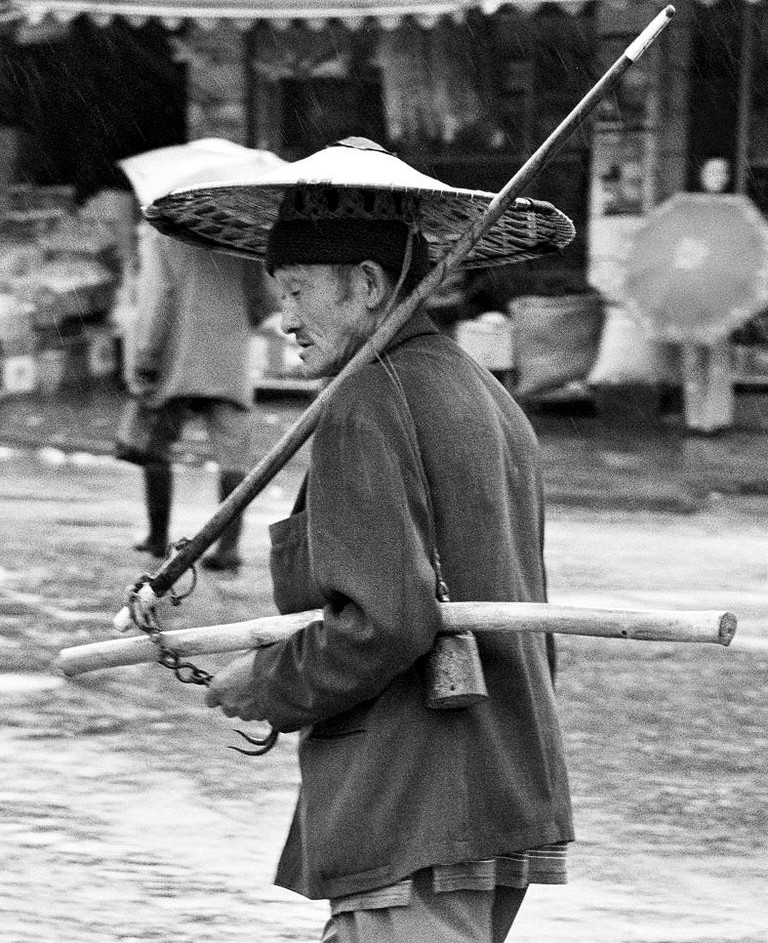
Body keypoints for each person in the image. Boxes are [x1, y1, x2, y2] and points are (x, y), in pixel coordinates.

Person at [153, 138, 574, 942]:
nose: (284, 318)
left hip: (416, 801)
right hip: (499, 790)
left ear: (370, 286)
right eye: (279, 290)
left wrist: (266, 682)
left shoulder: (367, 402)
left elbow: (387, 620)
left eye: (300, 289)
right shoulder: (485, 394)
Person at [116, 221, 274, 571]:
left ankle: (158, 537)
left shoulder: (164, 234)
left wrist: (144, 358)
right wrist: (230, 321)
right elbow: (265, 300)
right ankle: (228, 548)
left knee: (156, 446)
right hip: (228, 358)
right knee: (233, 457)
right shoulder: (239, 233)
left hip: (178, 356)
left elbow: (157, 301)